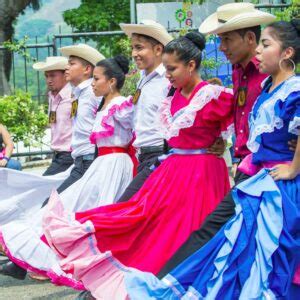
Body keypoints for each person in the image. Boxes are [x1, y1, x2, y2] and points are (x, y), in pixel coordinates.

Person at [43, 31, 234, 299]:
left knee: (190, 228)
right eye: (166, 69)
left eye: (173, 68)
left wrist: (222, 143)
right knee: (145, 220)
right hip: (172, 167)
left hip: (201, 173)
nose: (168, 74)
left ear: (191, 65)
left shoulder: (213, 94)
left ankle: (182, 285)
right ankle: (131, 281)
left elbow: (239, 118)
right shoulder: (171, 94)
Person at [122, 19, 300, 299]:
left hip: (272, 182)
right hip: (250, 175)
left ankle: (167, 286)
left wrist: (293, 165)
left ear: (286, 52)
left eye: (266, 45)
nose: (222, 46)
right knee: (231, 243)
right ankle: (168, 285)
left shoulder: (289, 87)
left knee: (266, 251)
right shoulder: (263, 83)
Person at [158, 2, 277, 277]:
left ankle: (168, 283)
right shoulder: (238, 71)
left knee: (219, 229)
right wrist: (227, 140)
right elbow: (239, 111)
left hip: (267, 168)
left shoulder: (269, 70)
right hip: (246, 165)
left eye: (226, 39)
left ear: (250, 39)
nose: (221, 46)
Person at [0, 55, 136, 285]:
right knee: (61, 208)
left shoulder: (115, 104)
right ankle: (32, 261)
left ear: (109, 80)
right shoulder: (88, 98)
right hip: (94, 162)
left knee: (71, 209)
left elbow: (138, 131)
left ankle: (78, 266)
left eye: (96, 78)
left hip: (105, 163)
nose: (65, 71)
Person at [33, 56, 74, 176]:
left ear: (65, 75)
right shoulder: (52, 96)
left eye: (52, 75)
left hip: (69, 154)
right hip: (57, 154)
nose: (48, 80)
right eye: (46, 76)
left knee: (42, 187)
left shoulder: (73, 96)